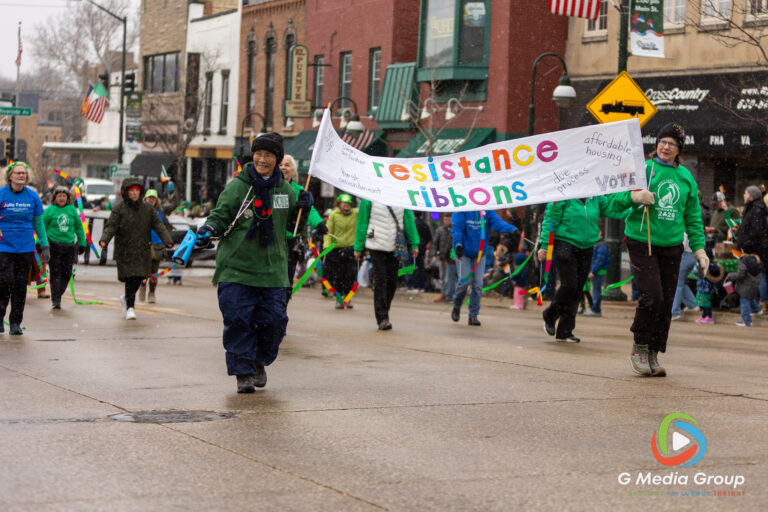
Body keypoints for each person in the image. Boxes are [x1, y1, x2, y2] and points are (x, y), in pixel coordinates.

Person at [197, 133, 311, 393]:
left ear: (277, 159)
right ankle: (243, 372)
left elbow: (293, 228)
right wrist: (208, 229)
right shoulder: (238, 186)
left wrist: (303, 209)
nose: (262, 159)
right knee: (239, 320)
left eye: (268, 155)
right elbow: (221, 215)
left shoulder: (286, 190)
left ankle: (259, 360)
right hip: (236, 269)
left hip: (273, 272)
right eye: (258, 154)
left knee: (274, 322)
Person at [606, 123, 708, 377]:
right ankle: (639, 346)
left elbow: (693, 217)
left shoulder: (686, 177)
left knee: (666, 304)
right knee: (652, 296)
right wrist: (634, 197)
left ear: (679, 149)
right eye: (662, 141)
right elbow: (612, 204)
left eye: (672, 143)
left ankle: (653, 350)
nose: (665, 146)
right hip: (642, 242)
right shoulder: (643, 170)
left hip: (672, 246)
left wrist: (699, 250)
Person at [538, 198, 622, 342]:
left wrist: (634, 208)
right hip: (565, 243)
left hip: (587, 246)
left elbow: (612, 208)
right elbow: (550, 220)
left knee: (577, 290)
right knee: (569, 285)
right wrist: (544, 244)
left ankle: (565, 331)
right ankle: (550, 315)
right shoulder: (563, 193)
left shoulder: (595, 197)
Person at [99, 178, 174, 321]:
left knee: (141, 276)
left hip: (142, 249)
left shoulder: (147, 209)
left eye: (137, 191)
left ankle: (126, 298)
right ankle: (130, 308)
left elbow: (158, 225)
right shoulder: (119, 208)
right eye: (132, 191)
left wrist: (168, 241)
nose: (134, 193)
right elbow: (111, 226)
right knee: (130, 277)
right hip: (125, 249)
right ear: (126, 192)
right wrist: (104, 239)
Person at [0, 162, 50, 335]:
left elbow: (38, 223)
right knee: (4, 282)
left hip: (25, 248)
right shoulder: (1, 194)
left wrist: (45, 245)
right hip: (4, 247)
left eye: (23, 173)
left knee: (20, 286)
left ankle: (15, 323)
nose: (21, 175)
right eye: (17, 173)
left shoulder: (33, 196)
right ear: (10, 176)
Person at [353, 200, 419, 331]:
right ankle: (382, 317)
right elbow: (363, 222)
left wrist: (414, 243)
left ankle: (384, 309)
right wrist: (358, 247)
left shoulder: (400, 196)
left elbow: (409, 221)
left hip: (395, 246)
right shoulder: (369, 197)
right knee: (381, 280)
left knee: (392, 282)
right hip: (376, 244)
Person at [451, 210, 517, 327]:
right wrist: (458, 244)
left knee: (478, 284)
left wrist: (512, 229)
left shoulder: (486, 210)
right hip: (463, 252)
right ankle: (457, 305)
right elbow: (457, 228)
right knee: (464, 282)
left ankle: (473, 315)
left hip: (480, 253)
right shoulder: (462, 208)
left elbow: (498, 223)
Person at [279, 154, 326, 300]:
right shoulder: (270, 187)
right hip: (270, 241)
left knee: (286, 284)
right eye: (280, 164)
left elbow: (310, 211)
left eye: (287, 165)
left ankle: (280, 311)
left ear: (293, 170)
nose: (283, 167)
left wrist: (318, 223)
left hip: (290, 243)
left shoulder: (301, 192)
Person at [42, 186, 87, 309]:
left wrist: (82, 243)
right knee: (55, 273)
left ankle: (57, 294)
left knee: (67, 273)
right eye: (59, 196)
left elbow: (79, 227)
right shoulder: (49, 210)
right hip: (53, 245)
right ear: (55, 198)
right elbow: (42, 228)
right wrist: (40, 243)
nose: (61, 198)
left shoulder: (72, 210)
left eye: (64, 196)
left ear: (67, 198)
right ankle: (56, 300)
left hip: (69, 246)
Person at [736, 185, 768, 315]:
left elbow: (757, 232)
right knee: (750, 279)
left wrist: (747, 244)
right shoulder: (752, 209)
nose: (743, 195)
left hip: (753, 251)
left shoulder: (756, 210)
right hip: (750, 250)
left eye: (745, 193)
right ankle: (754, 307)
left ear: (752, 196)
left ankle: (756, 307)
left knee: (751, 279)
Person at [138, 189, 174, 303]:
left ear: (156, 200)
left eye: (153, 198)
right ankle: (142, 288)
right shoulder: (140, 210)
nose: (151, 200)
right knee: (144, 270)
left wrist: (171, 188)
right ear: (145, 199)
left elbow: (174, 204)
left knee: (154, 271)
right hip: (144, 244)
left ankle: (152, 293)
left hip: (158, 245)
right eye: (149, 198)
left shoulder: (161, 211)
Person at [323, 193, 358, 309]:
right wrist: (326, 247)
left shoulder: (356, 214)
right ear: (339, 204)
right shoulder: (333, 215)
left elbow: (363, 228)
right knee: (338, 275)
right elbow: (328, 232)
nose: (346, 206)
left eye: (348, 203)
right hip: (336, 249)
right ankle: (339, 299)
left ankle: (347, 298)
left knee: (350, 275)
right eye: (344, 203)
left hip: (351, 249)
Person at [726, 253, 763, 327]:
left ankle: (746, 320)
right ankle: (757, 309)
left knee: (744, 302)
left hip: (745, 285)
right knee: (750, 298)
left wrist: (729, 276)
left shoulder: (743, 260)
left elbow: (740, 274)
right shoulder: (757, 259)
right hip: (754, 284)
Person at [670, 234, 699, 321]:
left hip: (685, 255)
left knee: (676, 284)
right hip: (692, 255)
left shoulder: (683, 227)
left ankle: (675, 312)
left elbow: (683, 243)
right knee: (681, 283)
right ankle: (692, 305)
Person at [429, 214, 456, 303]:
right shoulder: (440, 230)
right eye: (445, 220)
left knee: (451, 277)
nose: (446, 222)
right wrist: (433, 255)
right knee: (443, 277)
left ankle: (451, 294)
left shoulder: (455, 229)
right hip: (442, 257)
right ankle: (444, 293)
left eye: (448, 220)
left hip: (452, 258)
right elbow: (434, 243)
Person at [584, 228, 609, 317]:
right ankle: (595, 308)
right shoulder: (599, 244)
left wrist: (593, 271)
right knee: (596, 290)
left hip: (598, 272)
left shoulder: (601, 245)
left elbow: (599, 260)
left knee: (596, 291)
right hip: (598, 271)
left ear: (600, 232)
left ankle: (595, 309)